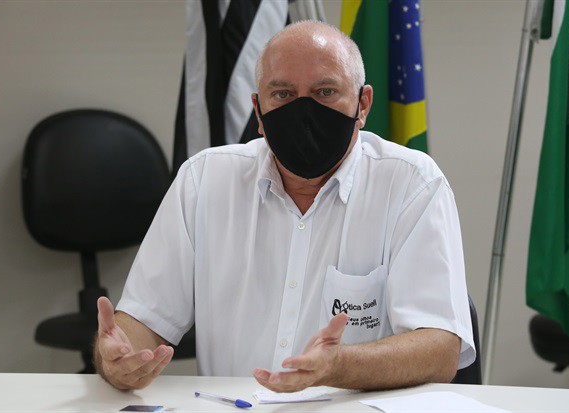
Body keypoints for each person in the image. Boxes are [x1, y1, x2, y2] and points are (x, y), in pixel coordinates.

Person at [94, 20, 475, 393]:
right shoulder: (204, 179)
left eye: (325, 92)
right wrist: (118, 357)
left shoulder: (411, 183)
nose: (304, 110)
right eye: (283, 95)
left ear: (363, 104)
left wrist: (339, 367)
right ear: (258, 112)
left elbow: (440, 349)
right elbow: (143, 320)